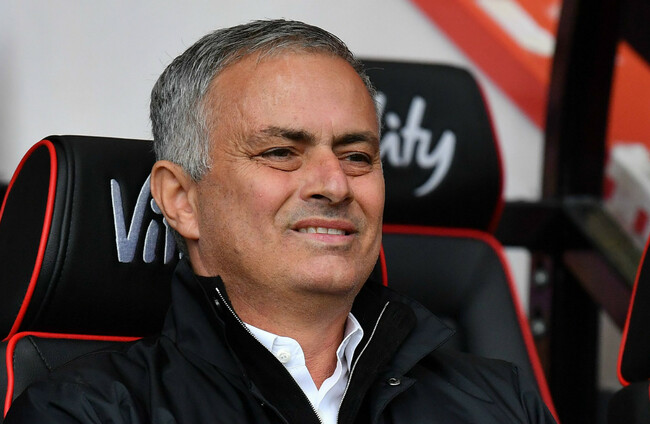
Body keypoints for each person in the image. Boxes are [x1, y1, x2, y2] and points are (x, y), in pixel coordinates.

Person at [5, 19, 556, 423]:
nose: (335, 185)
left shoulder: (499, 403)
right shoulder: (85, 412)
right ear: (182, 200)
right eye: (280, 152)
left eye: (357, 156)